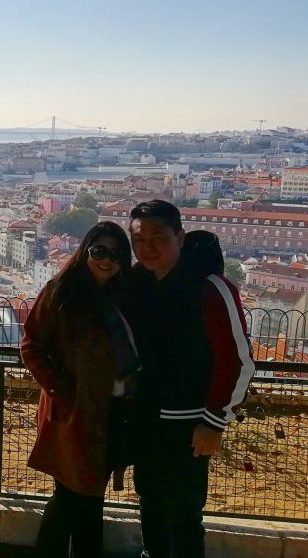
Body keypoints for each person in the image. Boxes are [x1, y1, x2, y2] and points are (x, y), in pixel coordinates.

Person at [128, 200, 255, 558]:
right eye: (139, 240)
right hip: (146, 421)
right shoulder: (139, 282)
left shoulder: (211, 288)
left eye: (159, 238)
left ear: (180, 237)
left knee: (183, 517)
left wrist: (214, 421)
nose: (148, 248)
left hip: (190, 428)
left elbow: (239, 361)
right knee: (150, 506)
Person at [20, 221, 139, 558]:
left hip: (113, 412)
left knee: (86, 495)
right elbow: (31, 346)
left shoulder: (124, 295)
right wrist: (63, 391)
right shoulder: (62, 291)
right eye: (99, 251)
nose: (107, 260)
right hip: (72, 413)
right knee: (73, 495)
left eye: (116, 254)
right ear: (85, 251)